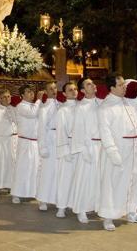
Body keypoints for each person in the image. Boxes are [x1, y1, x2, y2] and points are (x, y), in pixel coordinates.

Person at [97, 74, 137, 231]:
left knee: (133, 180)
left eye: (124, 84)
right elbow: (105, 132)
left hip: (134, 146)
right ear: (112, 88)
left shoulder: (128, 102)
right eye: (121, 85)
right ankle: (108, 216)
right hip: (118, 149)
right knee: (113, 183)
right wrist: (113, 152)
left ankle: (131, 211)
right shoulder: (105, 107)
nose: (125, 87)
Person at [70, 78, 102, 224]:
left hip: (102, 146)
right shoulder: (80, 107)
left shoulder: (102, 103)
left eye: (93, 83)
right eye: (89, 84)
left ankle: (96, 205)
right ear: (82, 90)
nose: (93, 85)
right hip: (88, 146)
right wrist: (83, 149)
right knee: (85, 179)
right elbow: (77, 130)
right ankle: (81, 208)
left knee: (99, 179)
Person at [11, 84, 41, 204]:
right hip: (25, 141)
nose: (32, 94)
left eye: (32, 92)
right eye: (28, 92)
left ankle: (32, 192)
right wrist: (39, 99)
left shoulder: (34, 105)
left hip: (35, 142)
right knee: (22, 168)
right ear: (22, 95)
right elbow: (32, 114)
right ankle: (16, 193)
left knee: (34, 169)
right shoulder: (21, 106)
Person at [54, 82, 78, 218]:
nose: (74, 92)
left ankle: (76, 204)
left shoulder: (82, 106)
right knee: (65, 178)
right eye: (70, 90)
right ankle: (61, 206)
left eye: (75, 89)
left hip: (80, 146)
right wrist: (65, 150)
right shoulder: (62, 110)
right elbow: (60, 132)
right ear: (64, 94)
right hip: (68, 145)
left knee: (78, 178)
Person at [36, 81, 59, 211]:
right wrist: (42, 147)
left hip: (59, 140)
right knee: (47, 171)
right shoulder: (44, 108)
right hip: (49, 140)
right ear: (46, 91)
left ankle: (55, 197)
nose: (54, 90)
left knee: (57, 171)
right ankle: (43, 199)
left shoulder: (61, 105)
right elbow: (41, 129)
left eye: (55, 88)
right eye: (50, 89)